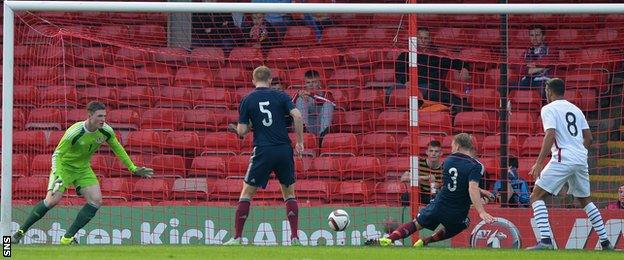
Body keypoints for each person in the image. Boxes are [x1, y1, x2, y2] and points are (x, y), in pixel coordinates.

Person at [12, 101, 154, 245]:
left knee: (96, 201)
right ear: (90, 115)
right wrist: (59, 175)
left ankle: (67, 238)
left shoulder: (106, 131)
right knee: (51, 201)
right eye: (99, 116)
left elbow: (118, 149)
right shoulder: (74, 132)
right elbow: (57, 155)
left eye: (104, 116)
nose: (103, 119)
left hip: (83, 169)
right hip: (64, 168)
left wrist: (133, 168)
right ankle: (19, 232)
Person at [527, 78, 613, 250]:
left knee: (536, 196)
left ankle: (545, 241)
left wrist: (538, 163)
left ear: (549, 91)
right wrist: (577, 156)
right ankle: (605, 242)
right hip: (581, 158)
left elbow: (550, 134)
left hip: (562, 157)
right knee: (585, 200)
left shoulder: (548, 109)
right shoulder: (575, 109)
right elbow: (589, 138)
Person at [366, 133, 495, 247]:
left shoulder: (448, 161)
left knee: (416, 224)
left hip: (440, 204)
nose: (451, 148)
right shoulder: (476, 166)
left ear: (457, 146)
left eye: (452, 145)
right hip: (457, 210)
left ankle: (389, 239)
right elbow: (470, 187)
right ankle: (426, 241)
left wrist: (481, 191)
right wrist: (481, 211)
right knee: (464, 223)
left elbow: (457, 183)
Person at [224, 66, 305, 246]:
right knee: (289, 193)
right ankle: (294, 238)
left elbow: (243, 131)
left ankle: (237, 237)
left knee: (246, 193)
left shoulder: (248, 100)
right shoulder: (281, 96)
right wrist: (300, 142)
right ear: (270, 81)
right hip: (284, 149)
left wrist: (241, 128)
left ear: (253, 81)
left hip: (263, 150)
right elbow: (298, 116)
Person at [394, 28, 470, 110]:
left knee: (435, 91)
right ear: (415, 39)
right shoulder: (405, 55)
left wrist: (464, 68)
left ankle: (459, 107)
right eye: (420, 38)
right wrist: (406, 81)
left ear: (430, 39)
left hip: (432, 88)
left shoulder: (436, 56)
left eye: (425, 38)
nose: (423, 41)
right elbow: (399, 72)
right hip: (412, 87)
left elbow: (458, 62)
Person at [515, 25, 559, 91]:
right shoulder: (527, 52)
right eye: (532, 35)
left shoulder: (551, 49)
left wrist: (532, 66)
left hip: (544, 80)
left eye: (537, 35)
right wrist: (541, 67)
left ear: (543, 37)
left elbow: (549, 61)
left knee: (543, 90)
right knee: (504, 86)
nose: (534, 38)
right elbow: (520, 69)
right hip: (527, 81)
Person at [400, 140, 443, 205]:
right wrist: (424, 178)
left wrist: (436, 185)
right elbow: (403, 178)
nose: (433, 154)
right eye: (431, 151)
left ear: (441, 153)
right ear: (427, 152)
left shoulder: (444, 168)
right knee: (406, 196)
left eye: (436, 151)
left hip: (435, 195)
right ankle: (409, 215)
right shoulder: (419, 163)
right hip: (420, 193)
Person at [294, 69, 335, 137]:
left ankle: (323, 137)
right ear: (305, 83)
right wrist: (298, 97)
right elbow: (289, 107)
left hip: (321, 125)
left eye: (314, 82)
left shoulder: (326, 93)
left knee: (328, 104)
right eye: (308, 82)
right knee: (301, 99)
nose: (311, 85)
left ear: (319, 82)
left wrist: (311, 95)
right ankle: (303, 133)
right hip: (306, 125)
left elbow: (333, 105)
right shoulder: (300, 93)